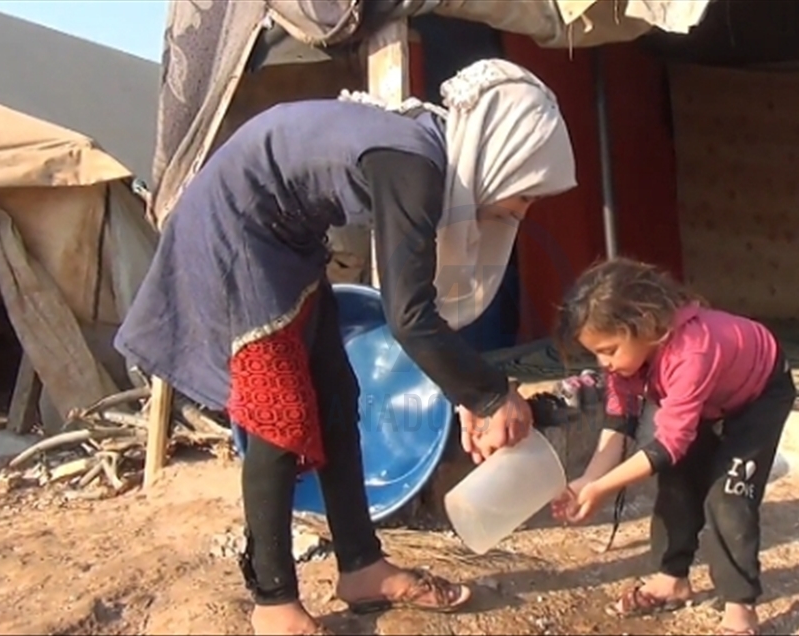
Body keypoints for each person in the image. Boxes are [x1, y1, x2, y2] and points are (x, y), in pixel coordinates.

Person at [115, 59, 577, 636]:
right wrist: (490, 395)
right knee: (279, 415)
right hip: (238, 228)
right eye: (525, 193)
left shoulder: (430, 155)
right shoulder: (413, 165)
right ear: (500, 154)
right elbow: (409, 316)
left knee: (335, 393)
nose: (521, 210)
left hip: (289, 238)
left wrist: (466, 393)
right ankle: (273, 601)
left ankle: (361, 567)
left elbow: (421, 308)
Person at [550, 257, 796, 636]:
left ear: (645, 324)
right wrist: (588, 480)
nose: (603, 363)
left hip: (760, 394)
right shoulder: (629, 361)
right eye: (596, 352)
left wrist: (603, 488)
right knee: (677, 481)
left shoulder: (692, 350)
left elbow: (669, 442)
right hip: (709, 400)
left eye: (610, 350)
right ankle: (671, 579)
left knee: (729, 495)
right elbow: (620, 422)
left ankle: (740, 607)